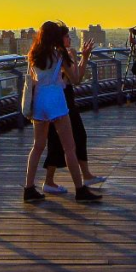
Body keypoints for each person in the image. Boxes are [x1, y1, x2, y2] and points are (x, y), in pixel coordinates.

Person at [20, 21, 100, 203]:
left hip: (39, 100)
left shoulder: (33, 55)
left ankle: (29, 188)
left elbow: (31, 79)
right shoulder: (59, 54)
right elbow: (76, 79)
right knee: (69, 147)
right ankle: (80, 190)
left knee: (38, 146)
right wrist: (85, 57)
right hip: (56, 99)